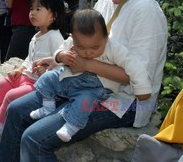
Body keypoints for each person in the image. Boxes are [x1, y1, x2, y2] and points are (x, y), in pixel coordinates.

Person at [0, 0, 167, 162]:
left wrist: (85, 63)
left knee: (34, 139)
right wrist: (56, 58)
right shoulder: (105, 2)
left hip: (123, 102)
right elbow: (78, 43)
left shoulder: (145, 10)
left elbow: (138, 78)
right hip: (82, 85)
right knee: (16, 110)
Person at [30, 9, 151, 143]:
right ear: (72, 38)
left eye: (95, 48)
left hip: (94, 89)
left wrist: (142, 90)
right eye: (81, 48)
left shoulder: (115, 49)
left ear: (106, 37)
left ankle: (71, 126)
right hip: (70, 79)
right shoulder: (72, 41)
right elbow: (59, 50)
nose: (88, 53)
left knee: (84, 102)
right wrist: (60, 56)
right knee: (47, 78)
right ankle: (47, 106)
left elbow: (135, 68)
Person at [0, 0, 65, 145]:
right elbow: (29, 58)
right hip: (25, 77)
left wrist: (47, 71)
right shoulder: (37, 36)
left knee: (11, 96)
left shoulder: (55, 37)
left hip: (37, 85)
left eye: (38, 9)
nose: (32, 13)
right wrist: (20, 69)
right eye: (31, 9)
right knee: (3, 84)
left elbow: (60, 63)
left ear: (53, 16)